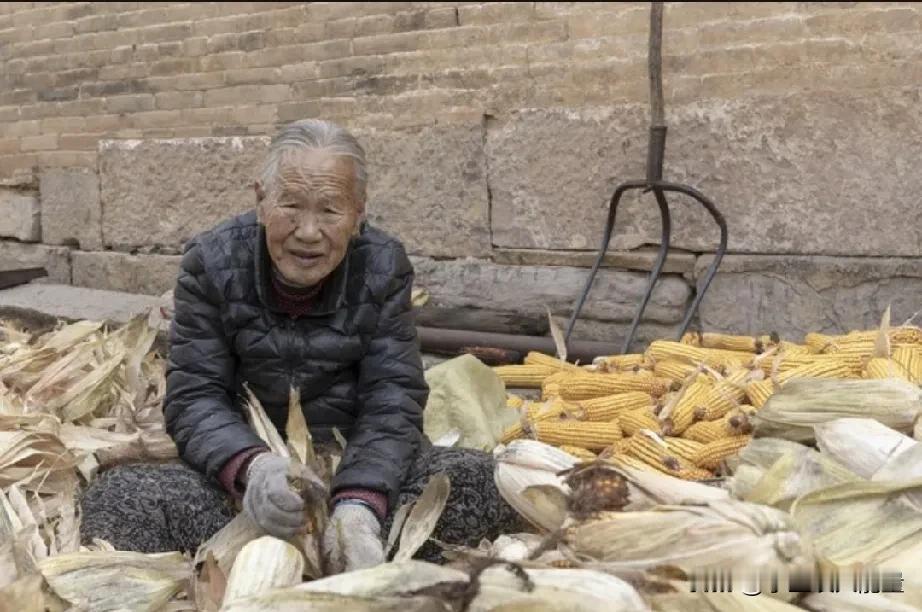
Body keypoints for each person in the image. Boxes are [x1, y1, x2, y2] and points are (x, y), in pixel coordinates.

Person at [79, 119, 523, 572]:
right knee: (120, 501)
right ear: (260, 202)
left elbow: (392, 400)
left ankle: (347, 553)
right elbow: (196, 396)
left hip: (357, 465)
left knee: (479, 480)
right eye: (290, 205)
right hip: (249, 483)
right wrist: (252, 469)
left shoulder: (383, 266)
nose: (308, 232)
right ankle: (259, 567)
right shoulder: (211, 263)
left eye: (330, 211)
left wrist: (360, 506)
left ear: (358, 213)